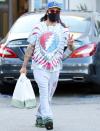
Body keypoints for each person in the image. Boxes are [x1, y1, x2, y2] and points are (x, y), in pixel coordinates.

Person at [20, 1, 74, 130]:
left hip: (55, 67)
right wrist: (24, 66)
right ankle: (48, 118)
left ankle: (39, 116)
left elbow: (69, 51)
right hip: (39, 66)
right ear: (47, 12)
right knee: (44, 92)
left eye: (57, 11)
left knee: (49, 95)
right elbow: (30, 48)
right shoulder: (38, 28)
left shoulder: (64, 30)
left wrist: (71, 45)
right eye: (52, 11)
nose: (54, 13)